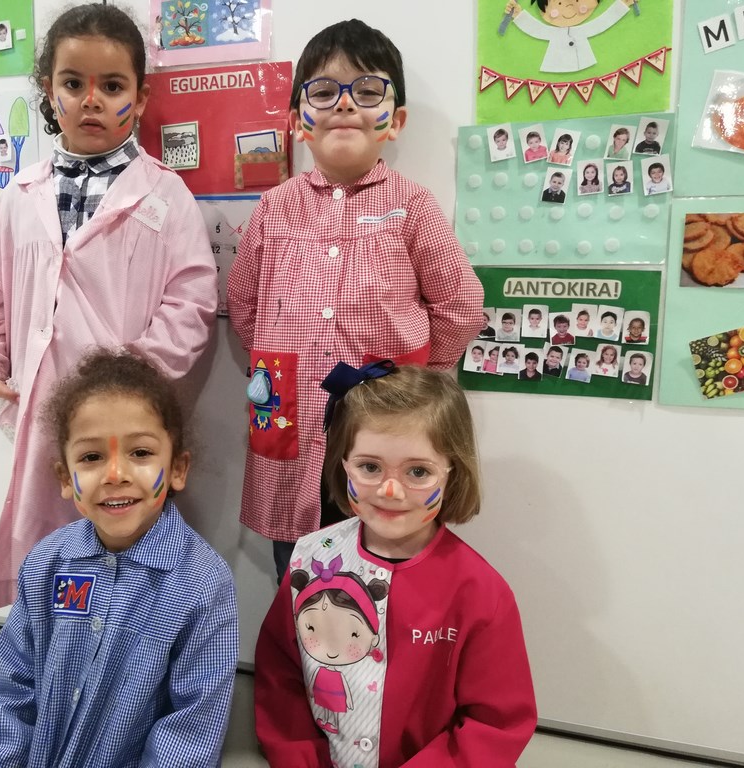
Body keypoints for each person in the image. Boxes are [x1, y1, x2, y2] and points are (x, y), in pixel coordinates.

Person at [0, 4, 218, 610]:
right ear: (50, 93)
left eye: (113, 87)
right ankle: (54, 643)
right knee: (49, 541)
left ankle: (129, 643)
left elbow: (191, 299)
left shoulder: (165, 196)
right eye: (73, 84)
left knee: (125, 526)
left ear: (141, 98)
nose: (91, 101)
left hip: (126, 408)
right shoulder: (20, 196)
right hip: (43, 401)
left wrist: (140, 373)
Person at [226, 19, 483, 581]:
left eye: (367, 91)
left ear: (397, 120)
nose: (344, 104)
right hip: (289, 419)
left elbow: (461, 306)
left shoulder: (413, 206)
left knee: (387, 561)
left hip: (386, 429)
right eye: (323, 92)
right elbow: (243, 304)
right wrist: (278, 367)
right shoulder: (273, 208)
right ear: (297, 121)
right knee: (298, 569)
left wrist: (414, 381)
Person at [254, 361, 536, 767]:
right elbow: (280, 677)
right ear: (342, 463)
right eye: (370, 467)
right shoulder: (310, 557)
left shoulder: (481, 592)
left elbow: (495, 724)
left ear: (453, 474)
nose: (389, 490)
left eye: (418, 471)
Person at [0, 349, 238, 767]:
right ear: (64, 477)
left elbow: (190, 732)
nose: (115, 475)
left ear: (178, 469)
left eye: (140, 453)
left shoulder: (203, 584)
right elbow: (12, 691)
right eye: (92, 457)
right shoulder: (45, 564)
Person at [503, 0, 637, 73]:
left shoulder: (583, 29)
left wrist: (622, 4)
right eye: (559, 4)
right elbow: (535, 29)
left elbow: (603, 22)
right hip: (555, 65)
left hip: (585, 65)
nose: (568, 7)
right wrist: (518, 15)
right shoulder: (552, 32)